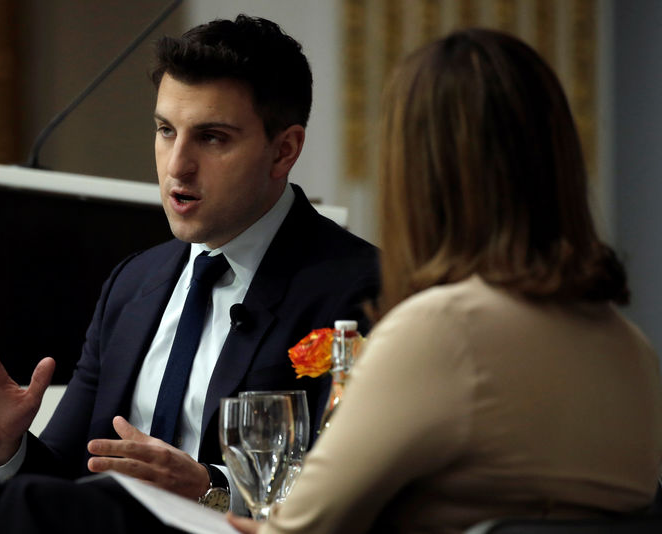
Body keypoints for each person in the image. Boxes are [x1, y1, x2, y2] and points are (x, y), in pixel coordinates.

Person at [0, 14, 379, 531]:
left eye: (211, 138)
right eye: (166, 131)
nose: (176, 166)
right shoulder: (133, 284)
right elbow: (67, 477)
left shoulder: (357, 287)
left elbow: (353, 496)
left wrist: (209, 490)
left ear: (284, 150)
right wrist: (3, 449)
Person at [229, 28, 662, 534]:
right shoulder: (632, 350)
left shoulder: (443, 331)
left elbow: (296, 531)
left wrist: (207, 501)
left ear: (416, 174)